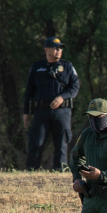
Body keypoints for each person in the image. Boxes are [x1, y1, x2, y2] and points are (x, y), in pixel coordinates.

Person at [23, 36, 79, 171]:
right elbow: (29, 91)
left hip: (62, 111)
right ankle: (32, 170)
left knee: (62, 143)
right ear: (47, 49)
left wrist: (62, 97)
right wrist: (26, 113)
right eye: (56, 48)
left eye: (60, 48)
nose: (59, 51)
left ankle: (60, 170)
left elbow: (75, 87)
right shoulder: (37, 67)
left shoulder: (67, 66)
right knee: (36, 142)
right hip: (41, 110)